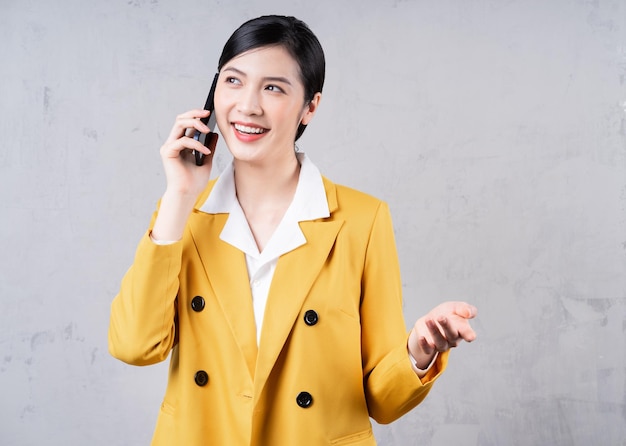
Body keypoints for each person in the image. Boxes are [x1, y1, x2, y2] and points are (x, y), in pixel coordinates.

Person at [108, 14, 477, 446]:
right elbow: (135, 346)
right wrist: (180, 194)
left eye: (273, 88)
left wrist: (419, 350)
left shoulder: (362, 220)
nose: (247, 105)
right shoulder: (182, 213)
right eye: (233, 81)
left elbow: (383, 401)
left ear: (311, 106)